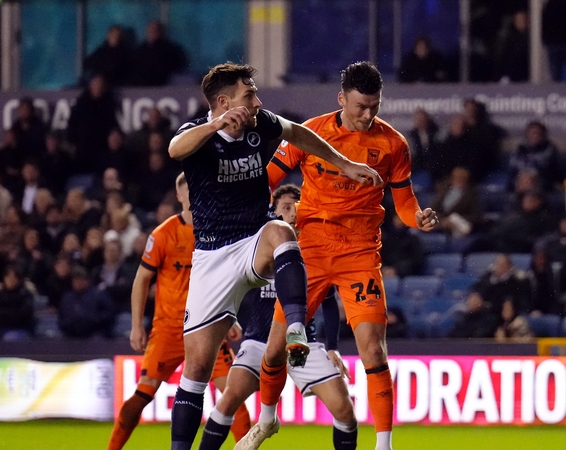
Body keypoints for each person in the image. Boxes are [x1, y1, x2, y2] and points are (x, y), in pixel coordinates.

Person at [167, 62, 380, 450]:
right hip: (212, 257)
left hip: (254, 240)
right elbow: (174, 149)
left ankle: (295, 328)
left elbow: (299, 133)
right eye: (249, 95)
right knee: (196, 371)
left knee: (281, 232)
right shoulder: (196, 135)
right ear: (223, 101)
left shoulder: (259, 123)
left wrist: (345, 163)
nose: (258, 101)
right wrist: (215, 125)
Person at [241, 61, 437, 450]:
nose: (368, 114)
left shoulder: (394, 145)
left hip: (360, 253)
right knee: (276, 346)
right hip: (310, 249)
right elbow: (267, 180)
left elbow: (404, 203)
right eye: (361, 106)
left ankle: (384, 444)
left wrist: (419, 217)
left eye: (375, 106)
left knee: (372, 349)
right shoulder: (310, 134)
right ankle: (266, 420)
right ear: (341, 98)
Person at [199, 184, 357, 450]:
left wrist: (332, 347)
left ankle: (268, 421)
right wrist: (230, 317)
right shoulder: (258, 245)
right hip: (258, 342)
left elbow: (328, 299)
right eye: (286, 207)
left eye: (297, 206)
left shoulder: (313, 249)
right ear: (273, 211)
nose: (293, 213)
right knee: (228, 401)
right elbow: (231, 283)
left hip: (302, 344)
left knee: (345, 412)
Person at [107, 172, 251, 449]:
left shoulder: (219, 231)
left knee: (233, 395)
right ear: (180, 195)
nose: (195, 194)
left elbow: (229, 278)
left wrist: (229, 315)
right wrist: (137, 325)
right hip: (170, 328)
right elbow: (141, 280)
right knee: (143, 393)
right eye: (189, 190)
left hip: (209, 327)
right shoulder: (164, 234)